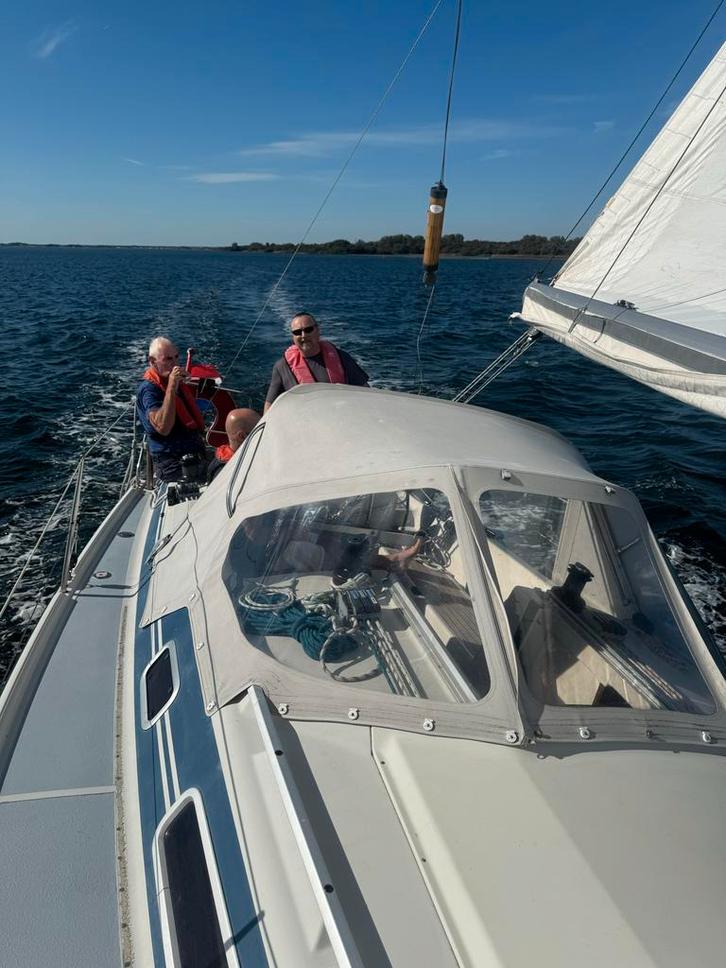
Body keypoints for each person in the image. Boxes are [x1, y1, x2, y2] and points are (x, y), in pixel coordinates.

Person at [264, 312, 368, 411]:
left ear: (318, 331)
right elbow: (269, 405)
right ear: (293, 337)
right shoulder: (281, 367)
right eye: (297, 332)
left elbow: (366, 390)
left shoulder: (342, 358)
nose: (303, 335)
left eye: (308, 329)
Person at [136, 337, 207, 482]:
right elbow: (163, 427)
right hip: (171, 462)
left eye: (176, 357)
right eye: (168, 359)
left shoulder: (172, 380)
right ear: (152, 361)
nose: (175, 364)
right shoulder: (149, 391)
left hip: (193, 450)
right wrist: (172, 386)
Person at [207, 407, 260, 481]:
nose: (263, 434)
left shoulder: (221, 458)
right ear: (242, 436)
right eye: (259, 430)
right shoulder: (228, 474)